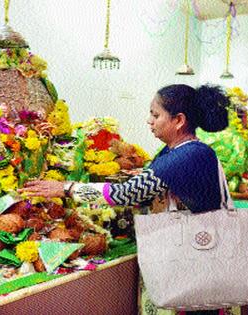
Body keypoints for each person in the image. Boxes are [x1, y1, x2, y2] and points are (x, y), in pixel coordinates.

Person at [19, 84, 235, 315]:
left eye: (155, 115)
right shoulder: (175, 151)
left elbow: (126, 194)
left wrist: (66, 188)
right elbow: (152, 184)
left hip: (199, 259)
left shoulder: (190, 154)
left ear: (179, 120)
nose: (149, 121)